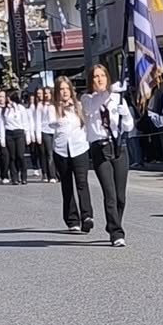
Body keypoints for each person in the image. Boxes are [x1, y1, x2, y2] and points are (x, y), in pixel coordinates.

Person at [80, 65, 137, 247]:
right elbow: (91, 108)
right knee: (110, 193)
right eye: (95, 76)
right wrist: (110, 92)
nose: (99, 79)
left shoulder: (117, 98)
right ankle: (116, 232)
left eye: (103, 75)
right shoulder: (88, 99)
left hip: (118, 146)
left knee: (121, 196)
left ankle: (114, 222)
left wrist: (125, 113)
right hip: (100, 148)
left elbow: (128, 127)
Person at [50, 77, 95, 234]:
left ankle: (87, 216)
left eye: (66, 89)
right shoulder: (53, 108)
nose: (64, 92)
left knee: (82, 182)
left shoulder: (79, 106)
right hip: (61, 150)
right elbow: (49, 124)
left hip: (79, 147)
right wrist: (62, 109)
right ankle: (72, 219)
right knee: (67, 185)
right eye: (61, 89)